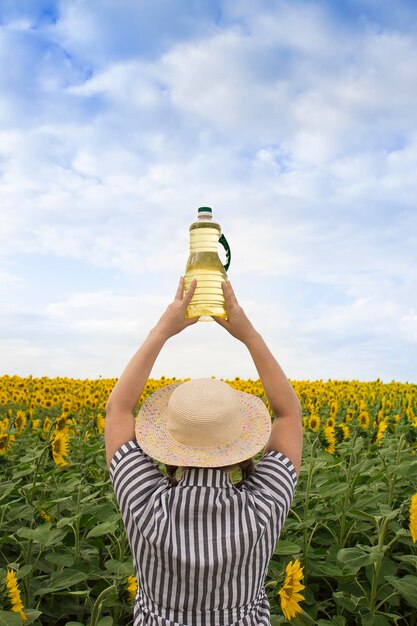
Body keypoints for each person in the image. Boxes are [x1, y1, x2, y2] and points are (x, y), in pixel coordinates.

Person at [105, 277, 303, 626]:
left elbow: (117, 410)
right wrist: (249, 335)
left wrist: (163, 329)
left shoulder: (143, 502)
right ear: (242, 441)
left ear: (167, 441)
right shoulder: (262, 507)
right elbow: (289, 414)